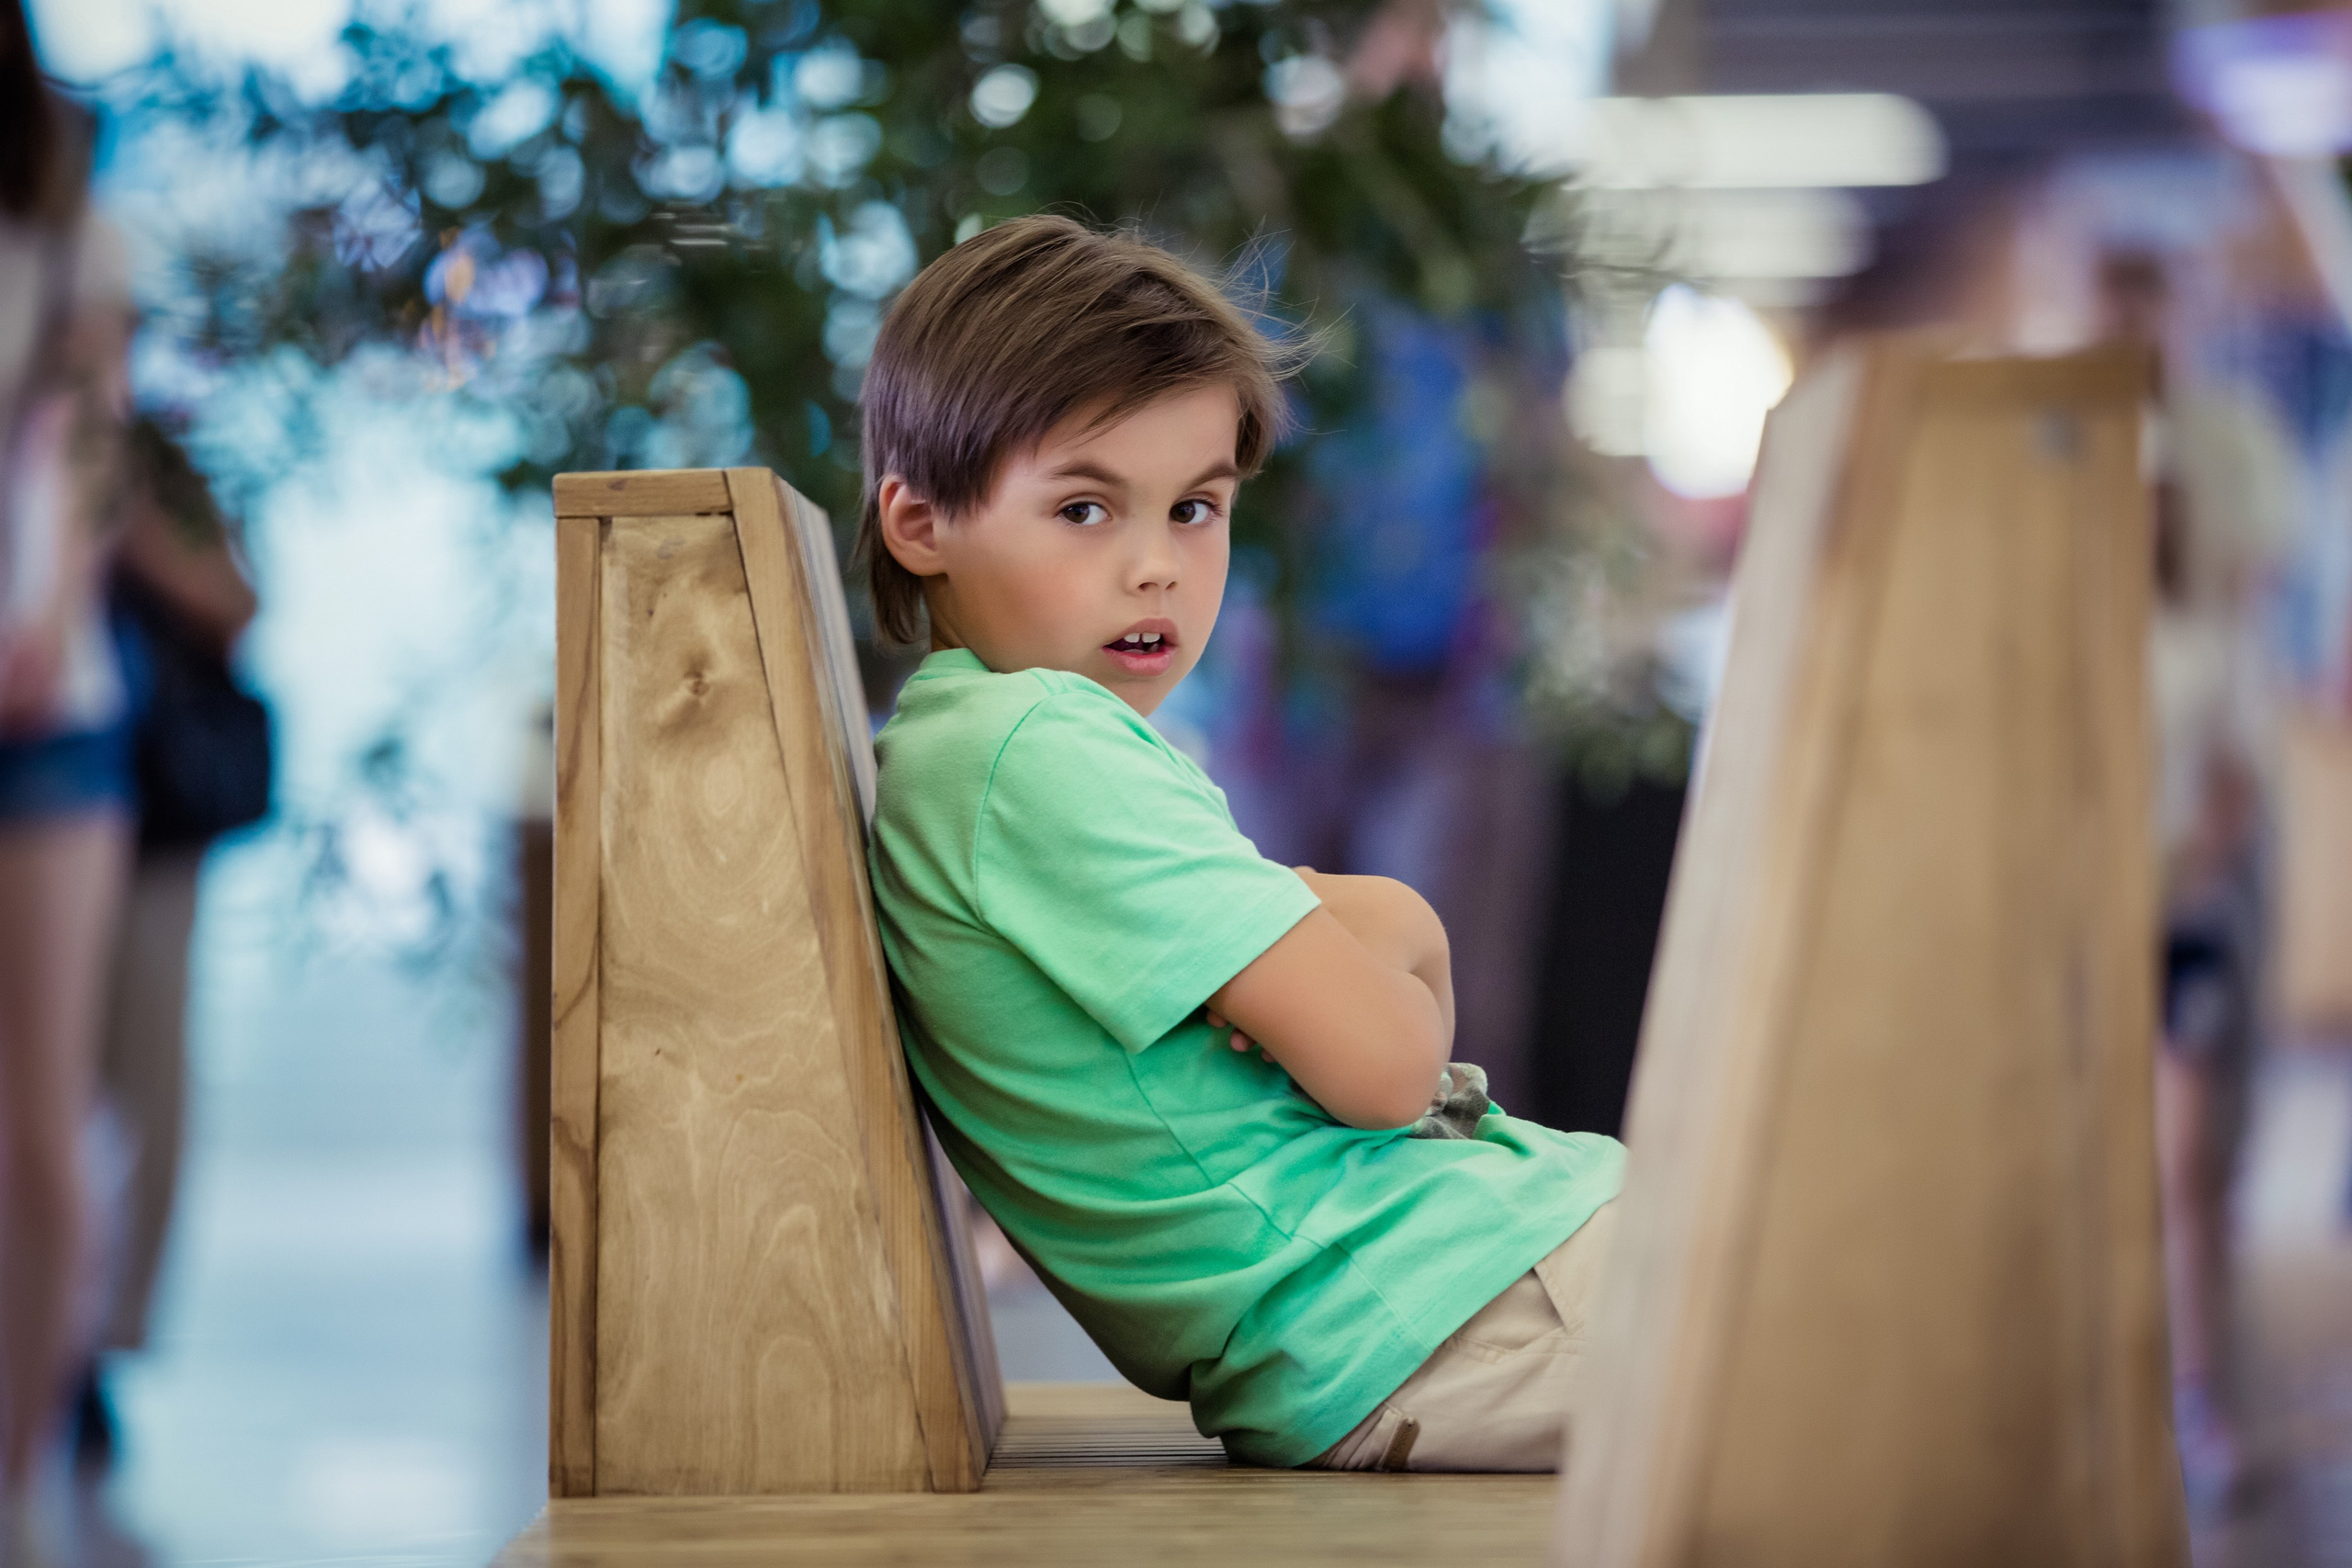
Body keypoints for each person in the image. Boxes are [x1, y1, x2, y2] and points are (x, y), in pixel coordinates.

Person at [857, 217, 1624, 1472]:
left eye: (1196, 507)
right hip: (1440, 1308)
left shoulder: (987, 750)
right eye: (1087, 506)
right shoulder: (1036, 750)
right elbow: (1385, 1069)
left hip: (1446, 1291)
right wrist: (1397, 921)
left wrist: (1349, 932)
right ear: (921, 521)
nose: (1158, 566)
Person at [0, 3, 135, 1543]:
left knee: (43, 1116)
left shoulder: (69, 220)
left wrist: (42, 612)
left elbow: (85, 438)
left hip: (51, 707)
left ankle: (23, 1473)